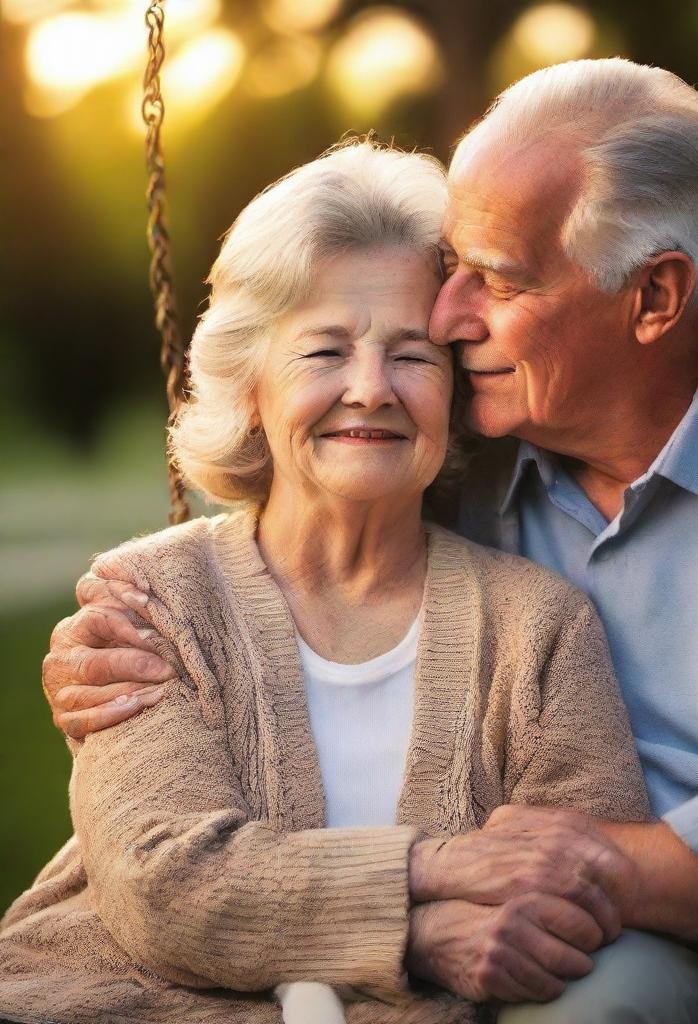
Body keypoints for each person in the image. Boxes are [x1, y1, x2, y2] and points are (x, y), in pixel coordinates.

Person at [39, 58, 698, 1022]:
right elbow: (313, 498)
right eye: (451, 268)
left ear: (654, 296)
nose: (449, 316)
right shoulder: (475, 425)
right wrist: (128, 633)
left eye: (496, 280)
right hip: (615, 926)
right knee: (581, 1006)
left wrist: (592, 861)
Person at [0, 139, 652, 1024]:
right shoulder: (146, 603)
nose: (372, 389)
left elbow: (568, 884)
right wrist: (423, 904)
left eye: (414, 355)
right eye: (324, 352)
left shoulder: (539, 628)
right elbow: (169, 887)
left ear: (457, 393)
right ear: (251, 386)